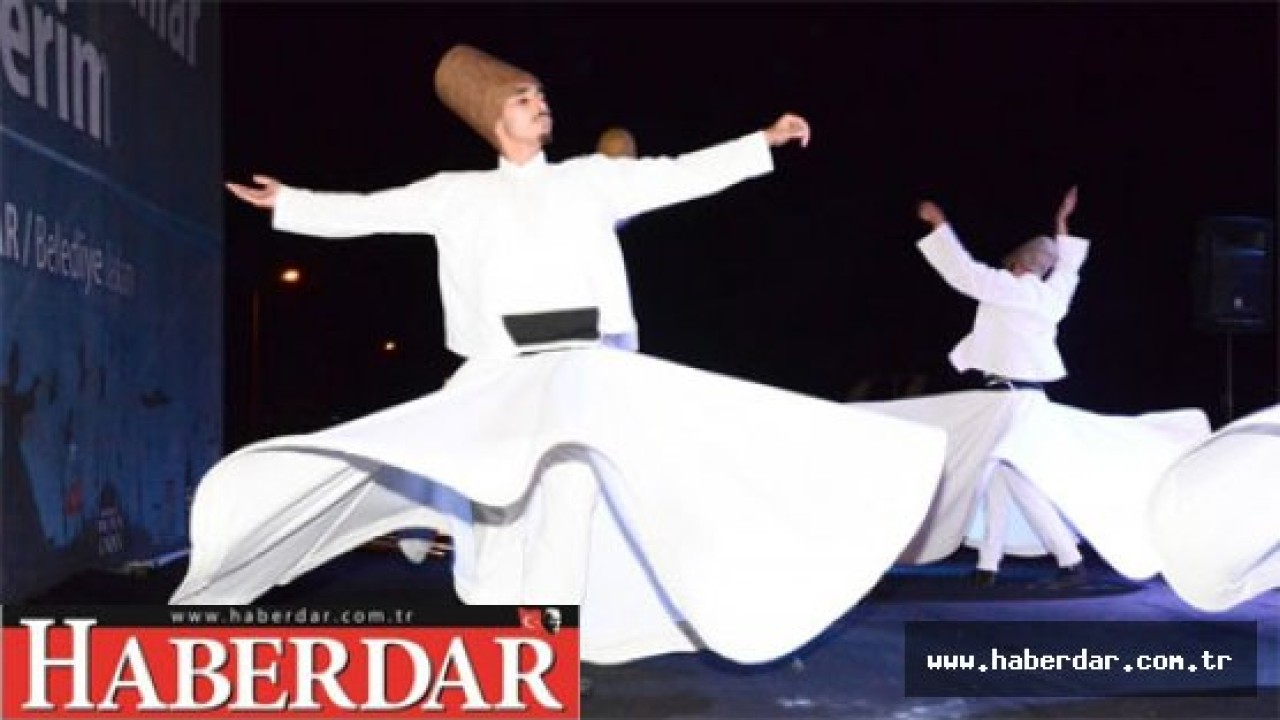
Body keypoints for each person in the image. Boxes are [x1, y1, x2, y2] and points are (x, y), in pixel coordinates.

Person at [177, 44, 947, 666]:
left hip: (582, 374)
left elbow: (679, 175)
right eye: (524, 97)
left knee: (570, 502)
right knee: (497, 508)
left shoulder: (591, 181)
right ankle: (498, 634)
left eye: (543, 94)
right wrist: (291, 204)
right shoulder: (458, 192)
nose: (541, 103)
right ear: (496, 117)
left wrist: (762, 142)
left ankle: (544, 646)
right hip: (500, 379)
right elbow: (374, 211)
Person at [913, 188, 1090, 587]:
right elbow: (1069, 268)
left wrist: (939, 224)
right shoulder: (1055, 295)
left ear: (1017, 263)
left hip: (1009, 400)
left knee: (1015, 477)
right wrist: (1062, 223)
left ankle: (1070, 560)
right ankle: (988, 564)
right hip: (1024, 398)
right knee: (995, 475)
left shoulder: (1007, 287)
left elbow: (962, 271)